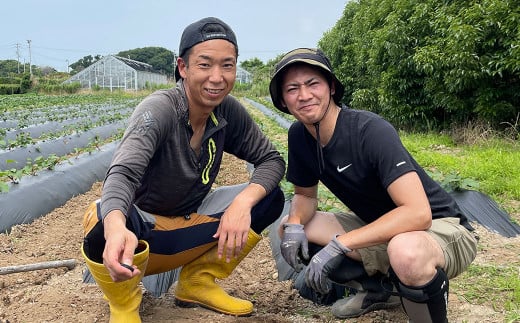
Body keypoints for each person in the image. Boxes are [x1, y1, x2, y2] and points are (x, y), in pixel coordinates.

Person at [81, 17, 286, 322]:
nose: (217, 77)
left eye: (227, 65)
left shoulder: (227, 110)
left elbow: (271, 160)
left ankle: (197, 282)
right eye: (205, 65)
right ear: (183, 67)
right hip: (145, 239)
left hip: (194, 224)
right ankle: (124, 304)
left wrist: (242, 203)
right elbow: (123, 174)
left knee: (270, 198)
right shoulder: (159, 110)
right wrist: (115, 228)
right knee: (102, 219)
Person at [269, 48, 478, 322]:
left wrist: (339, 245)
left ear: (331, 87)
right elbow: (305, 197)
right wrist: (295, 223)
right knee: (291, 227)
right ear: (283, 100)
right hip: (386, 229)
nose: (304, 95)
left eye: (313, 84)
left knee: (405, 252)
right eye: (292, 89)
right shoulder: (299, 136)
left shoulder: (369, 130)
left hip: (439, 227)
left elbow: (418, 213)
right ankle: (383, 292)